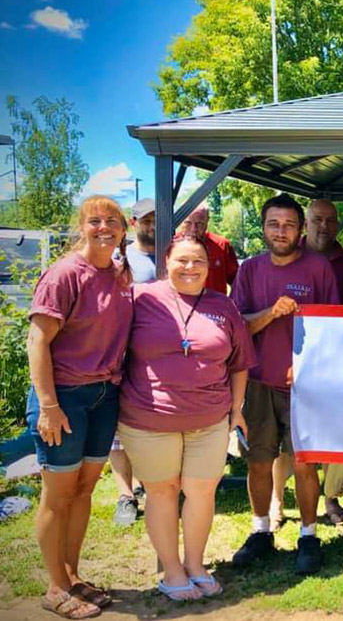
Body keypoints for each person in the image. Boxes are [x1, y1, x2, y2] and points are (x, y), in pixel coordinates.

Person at [118, 237, 255, 601]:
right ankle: (172, 570)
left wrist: (237, 409)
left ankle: (196, 564)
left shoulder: (223, 306)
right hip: (148, 419)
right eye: (182, 260)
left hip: (209, 420)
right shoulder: (140, 298)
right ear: (167, 261)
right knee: (162, 492)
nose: (190, 267)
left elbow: (240, 363)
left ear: (209, 267)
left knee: (201, 492)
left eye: (198, 261)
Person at [26, 196, 134, 619]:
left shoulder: (119, 275)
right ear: (82, 227)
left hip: (104, 395)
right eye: (95, 220)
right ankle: (55, 587)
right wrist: (49, 406)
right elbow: (38, 342)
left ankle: (71, 575)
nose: (104, 227)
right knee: (57, 494)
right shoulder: (65, 274)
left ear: (124, 228)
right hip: (64, 396)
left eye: (112, 221)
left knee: (85, 490)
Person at [230, 194, 339, 575]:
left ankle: (309, 535)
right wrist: (270, 313)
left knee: (306, 464)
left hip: (303, 386)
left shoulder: (318, 268)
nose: (281, 231)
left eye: (289, 225)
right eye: (274, 224)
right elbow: (237, 326)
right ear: (263, 228)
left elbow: (332, 327)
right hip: (258, 382)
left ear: (302, 229)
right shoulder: (249, 270)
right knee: (259, 462)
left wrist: (306, 366)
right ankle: (261, 531)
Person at [298, 198, 343, 525]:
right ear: (306, 222)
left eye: (330, 220)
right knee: (292, 437)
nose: (324, 226)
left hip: (336, 359)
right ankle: (278, 504)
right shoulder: (288, 257)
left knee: (328, 431)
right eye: (317, 219)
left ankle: (332, 498)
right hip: (293, 360)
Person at [109, 198, 156, 528]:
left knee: (144, 425)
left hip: (153, 355)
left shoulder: (171, 256)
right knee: (116, 430)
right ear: (134, 222)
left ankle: (146, 485)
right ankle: (125, 495)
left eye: (157, 220)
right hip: (119, 353)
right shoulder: (120, 259)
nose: (152, 225)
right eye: (146, 220)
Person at [180, 205, 239, 294]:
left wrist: (230, 305)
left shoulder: (221, 245)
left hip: (215, 306)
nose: (193, 229)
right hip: (181, 306)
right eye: (188, 223)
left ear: (207, 220)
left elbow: (238, 283)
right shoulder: (171, 245)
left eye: (199, 224)